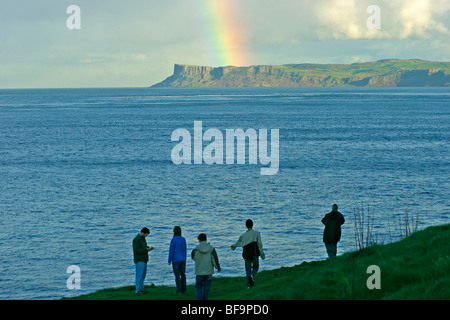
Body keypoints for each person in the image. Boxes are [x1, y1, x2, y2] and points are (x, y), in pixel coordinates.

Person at [231, 219, 265, 288]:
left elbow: (238, 243)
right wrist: (262, 254)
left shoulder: (243, 236)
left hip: (246, 255)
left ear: (246, 226)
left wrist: (233, 246)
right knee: (256, 267)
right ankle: (252, 275)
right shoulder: (257, 233)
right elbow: (260, 245)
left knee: (247, 271)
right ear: (252, 225)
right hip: (254, 254)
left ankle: (248, 286)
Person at [191, 233, 221, 300]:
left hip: (199, 272)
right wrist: (218, 268)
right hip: (208, 272)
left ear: (199, 240)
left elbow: (193, 258)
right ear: (206, 239)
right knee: (206, 288)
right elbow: (215, 259)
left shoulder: (195, 249)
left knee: (198, 287)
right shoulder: (211, 248)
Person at [132, 227, 154, 294]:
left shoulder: (143, 239)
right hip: (139, 259)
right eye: (146, 234)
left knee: (143, 275)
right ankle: (138, 290)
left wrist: (146, 247)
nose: (146, 236)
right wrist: (146, 250)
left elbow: (142, 247)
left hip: (144, 259)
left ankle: (141, 288)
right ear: (143, 233)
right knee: (139, 275)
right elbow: (136, 250)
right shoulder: (136, 240)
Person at [168, 225, 187, 294]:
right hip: (182, 259)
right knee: (183, 274)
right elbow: (185, 249)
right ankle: (184, 289)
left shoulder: (173, 240)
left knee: (177, 275)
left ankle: (178, 290)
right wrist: (185, 258)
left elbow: (171, 251)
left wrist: (169, 260)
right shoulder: (183, 239)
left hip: (176, 260)